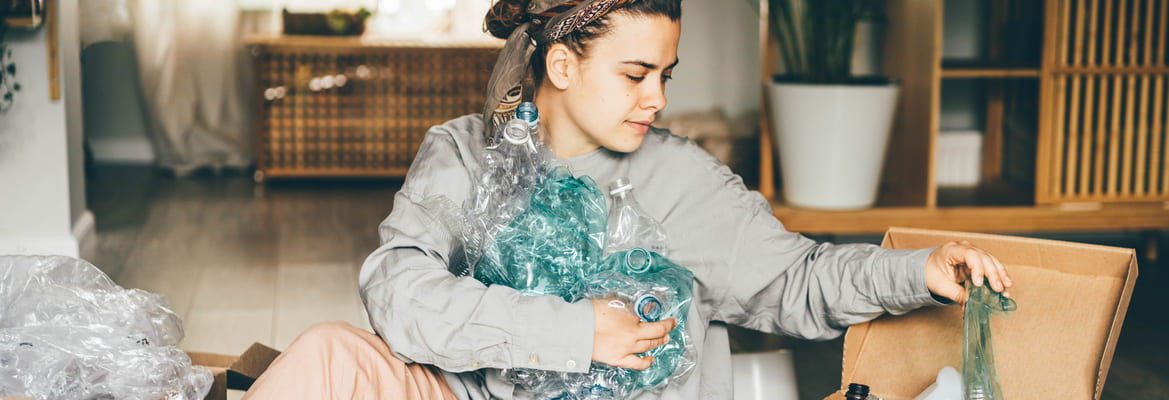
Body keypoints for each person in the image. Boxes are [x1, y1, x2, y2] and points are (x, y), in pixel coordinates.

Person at [242, 0, 1014, 398]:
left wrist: (916, 272)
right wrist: (577, 331)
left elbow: (796, 283)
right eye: (634, 73)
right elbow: (399, 292)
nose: (655, 98)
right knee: (326, 353)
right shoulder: (464, 152)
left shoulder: (683, 181)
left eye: (665, 75)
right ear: (563, 65)